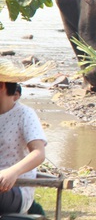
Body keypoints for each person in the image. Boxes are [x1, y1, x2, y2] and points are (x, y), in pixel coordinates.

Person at [0, 60, 51, 216]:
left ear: (2, 85)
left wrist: (12, 172)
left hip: (14, 189)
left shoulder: (25, 115)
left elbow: (38, 153)